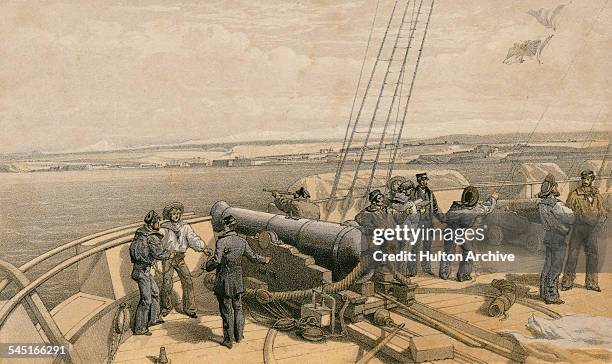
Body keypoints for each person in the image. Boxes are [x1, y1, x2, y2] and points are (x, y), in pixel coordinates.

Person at [205, 215, 270, 349]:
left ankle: (228, 341)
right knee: (238, 307)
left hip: (224, 280)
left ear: (226, 226)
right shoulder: (242, 241)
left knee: (226, 310)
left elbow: (216, 261)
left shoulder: (221, 242)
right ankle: (239, 336)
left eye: (223, 225)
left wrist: (207, 266)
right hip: (237, 280)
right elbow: (253, 257)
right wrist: (264, 259)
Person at [160, 202, 212, 318]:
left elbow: (193, 239)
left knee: (187, 281)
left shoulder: (185, 227)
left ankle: (189, 308)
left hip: (179, 258)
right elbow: (158, 244)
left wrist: (204, 248)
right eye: (173, 214)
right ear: (169, 215)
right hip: (168, 258)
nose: (176, 216)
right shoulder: (163, 229)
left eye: (178, 213)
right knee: (167, 283)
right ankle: (166, 307)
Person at [561, 170, 607, 292]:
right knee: (572, 255)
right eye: (584, 179)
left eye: (588, 179)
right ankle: (567, 282)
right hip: (578, 229)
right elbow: (568, 212)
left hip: (592, 231)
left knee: (593, 256)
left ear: (592, 180)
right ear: (581, 179)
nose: (585, 181)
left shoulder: (597, 195)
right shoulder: (574, 194)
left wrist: (598, 226)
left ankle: (591, 283)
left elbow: (603, 212)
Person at [440, 186, 498, 281]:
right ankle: (463, 275)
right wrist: (493, 198)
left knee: (448, 252)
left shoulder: (457, 209)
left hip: (452, 231)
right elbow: (487, 208)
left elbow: (445, 218)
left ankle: (444, 273)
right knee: (466, 251)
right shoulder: (476, 209)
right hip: (455, 232)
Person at [129, 210, 170, 335]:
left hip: (141, 270)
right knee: (146, 300)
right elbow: (158, 254)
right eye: (157, 222)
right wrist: (170, 254)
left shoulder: (141, 233)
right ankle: (140, 328)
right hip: (142, 272)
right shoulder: (152, 237)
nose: (159, 224)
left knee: (155, 292)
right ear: (153, 223)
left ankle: (154, 318)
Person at [537, 175, 574, 304]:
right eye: (555, 186)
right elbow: (571, 218)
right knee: (556, 267)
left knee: (548, 266)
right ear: (553, 188)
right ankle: (551, 295)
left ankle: (543, 292)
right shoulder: (556, 205)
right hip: (558, 238)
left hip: (548, 237)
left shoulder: (541, 204)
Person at [408, 173, 445, 276]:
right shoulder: (413, 193)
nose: (425, 182)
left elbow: (436, 208)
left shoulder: (430, 193)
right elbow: (409, 208)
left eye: (426, 180)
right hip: (417, 225)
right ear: (419, 181)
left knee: (427, 247)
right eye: (423, 180)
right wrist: (418, 208)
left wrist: (442, 219)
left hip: (428, 223)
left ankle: (426, 268)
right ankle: (412, 270)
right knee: (414, 247)